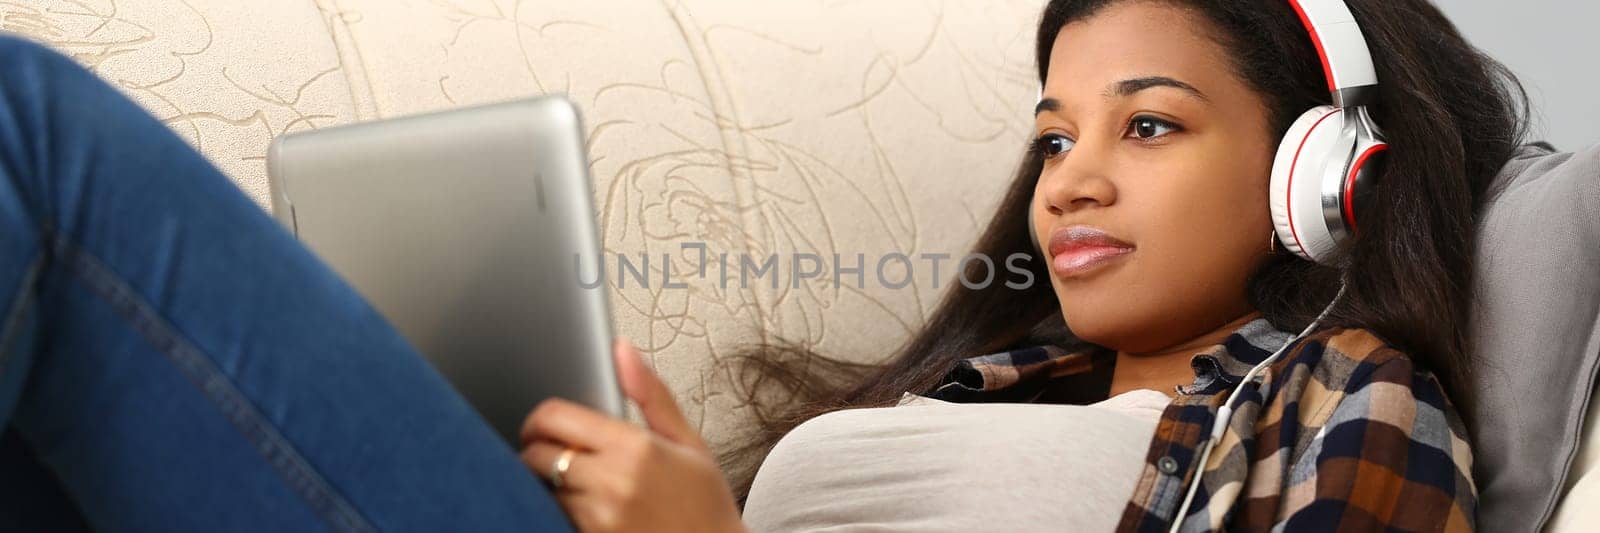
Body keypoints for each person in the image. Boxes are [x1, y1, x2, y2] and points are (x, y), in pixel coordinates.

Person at [0, 0, 1533, 532]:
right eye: (1057, 129)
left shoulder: (1352, 404)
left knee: (31, 137)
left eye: (1148, 125)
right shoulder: (1000, 382)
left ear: (1317, 177)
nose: (1070, 175)